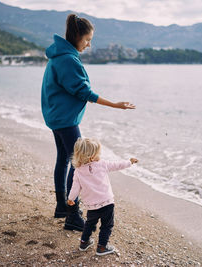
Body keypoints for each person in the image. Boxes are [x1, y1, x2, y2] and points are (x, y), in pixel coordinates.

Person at [41, 13, 136, 231]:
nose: (89, 44)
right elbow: (84, 91)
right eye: (87, 40)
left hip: (56, 117)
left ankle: (62, 207)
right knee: (81, 164)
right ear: (76, 37)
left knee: (64, 160)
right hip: (65, 119)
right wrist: (115, 104)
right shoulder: (67, 59)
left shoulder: (59, 55)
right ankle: (72, 215)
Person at [67, 138, 138, 256]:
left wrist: (71, 199)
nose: (100, 155)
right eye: (98, 153)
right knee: (107, 225)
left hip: (91, 206)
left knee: (89, 224)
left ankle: (84, 243)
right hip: (107, 203)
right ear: (91, 157)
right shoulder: (102, 164)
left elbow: (75, 188)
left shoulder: (78, 171)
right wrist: (129, 162)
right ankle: (102, 247)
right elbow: (117, 165)